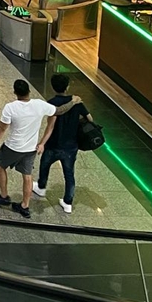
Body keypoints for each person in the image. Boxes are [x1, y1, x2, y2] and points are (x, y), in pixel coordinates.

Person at [0, 79, 83, 218]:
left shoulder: (11, 107)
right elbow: (60, 110)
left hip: (12, 147)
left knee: (0, 165)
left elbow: (1, 128)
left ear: (15, 92)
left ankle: (3, 196)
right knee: (27, 176)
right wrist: (73, 101)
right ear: (29, 91)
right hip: (30, 148)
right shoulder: (39, 104)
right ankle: (25, 206)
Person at [33, 74, 91, 214]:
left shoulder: (52, 102)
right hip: (71, 146)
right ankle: (68, 202)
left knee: (45, 164)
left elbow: (50, 126)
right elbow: (89, 118)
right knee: (69, 173)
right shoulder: (77, 102)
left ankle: (41, 187)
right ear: (67, 87)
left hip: (53, 143)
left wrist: (42, 143)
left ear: (53, 86)